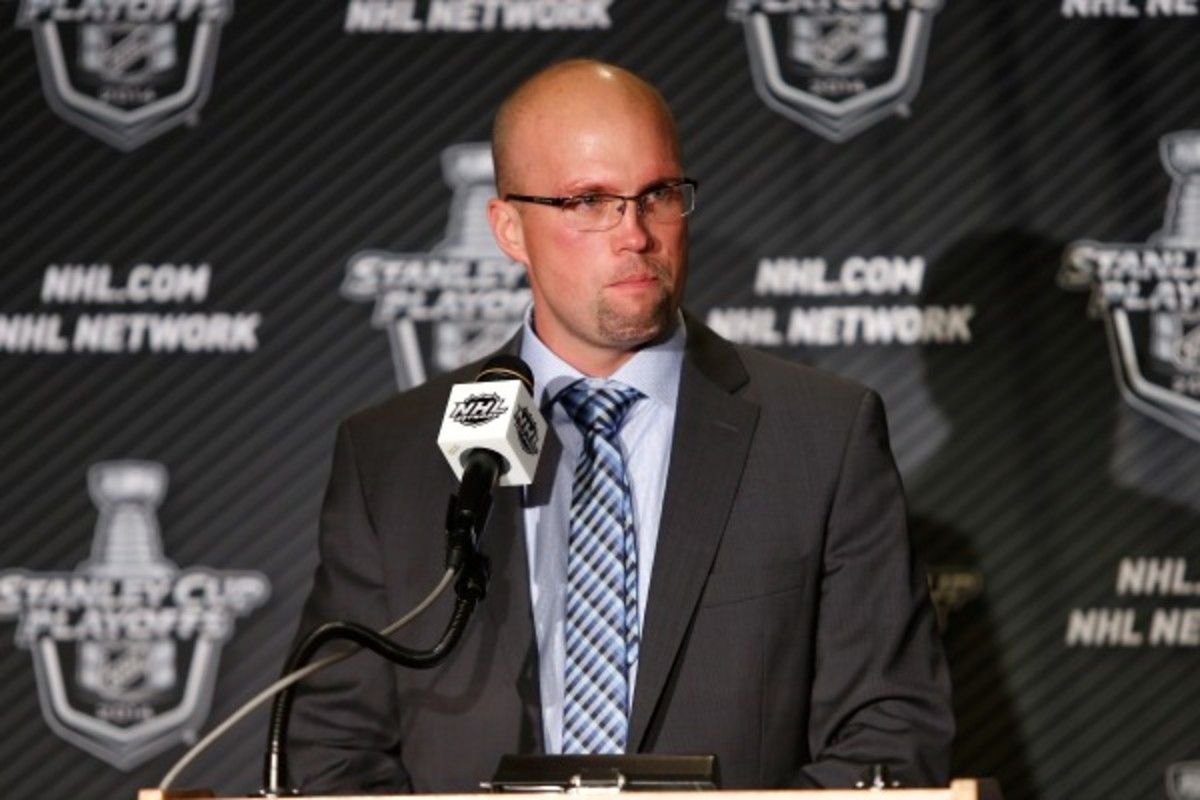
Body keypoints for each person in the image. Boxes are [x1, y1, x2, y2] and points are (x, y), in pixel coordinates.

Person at [287, 59, 953, 793]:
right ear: (510, 227)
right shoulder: (390, 455)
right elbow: (332, 748)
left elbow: (890, 731)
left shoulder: (821, 436)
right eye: (589, 201)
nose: (634, 233)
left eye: (658, 195)